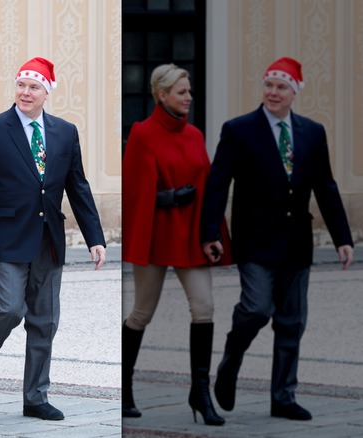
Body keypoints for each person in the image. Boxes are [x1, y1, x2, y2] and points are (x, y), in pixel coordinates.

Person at [0, 57, 106, 421]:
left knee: (44, 320)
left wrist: (94, 237)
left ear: (46, 93)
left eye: (34, 87)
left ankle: (35, 397)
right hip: (7, 235)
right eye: (21, 85)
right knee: (8, 309)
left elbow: (78, 187)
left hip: (48, 238)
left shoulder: (65, 132)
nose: (25, 92)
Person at [201, 57, 354, 421]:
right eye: (269, 85)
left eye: (281, 87)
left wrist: (342, 238)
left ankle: (283, 396)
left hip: (297, 241)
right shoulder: (239, 130)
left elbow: (326, 187)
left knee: (291, 321)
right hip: (255, 240)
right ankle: (230, 361)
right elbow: (218, 184)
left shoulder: (312, 132)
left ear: (294, 93)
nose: (273, 92)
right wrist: (210, 232)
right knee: (256, 309)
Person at [121, 64, 231, 425]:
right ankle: (124, 385)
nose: (188, 98)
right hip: (155, 233)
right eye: (182, 92)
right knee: (142, 313)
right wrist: (166, 199)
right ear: (162, 94)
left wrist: (213, 233)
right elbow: (135, 191)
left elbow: (210, 188)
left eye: (190, 92)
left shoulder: (195, 135)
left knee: (205, 308)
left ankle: (200, 392)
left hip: (191, 235)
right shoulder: (142, 133)